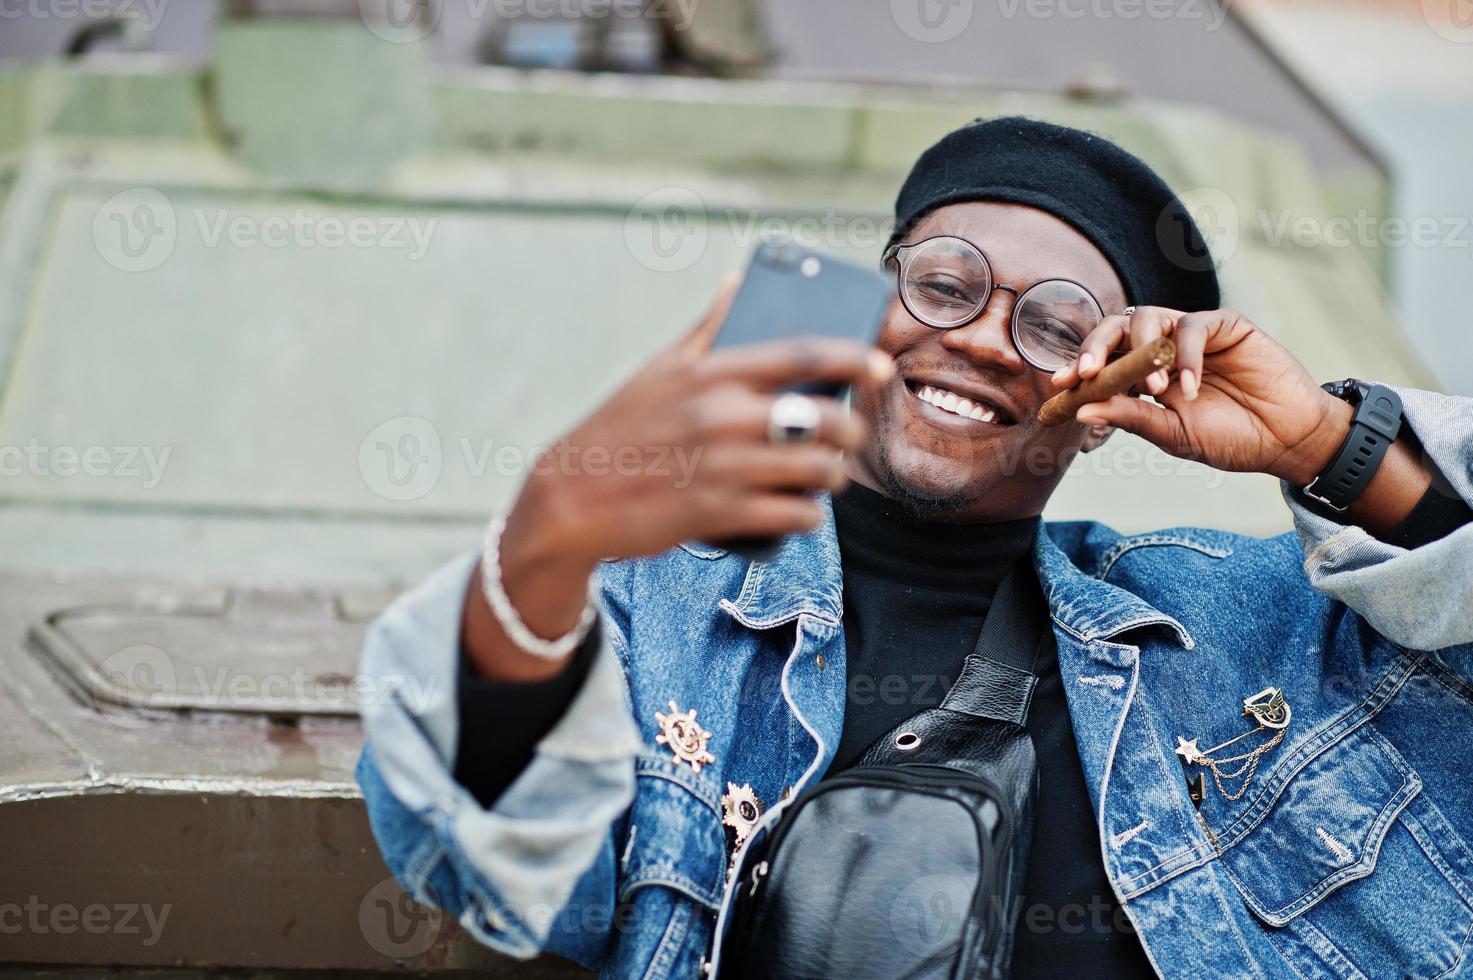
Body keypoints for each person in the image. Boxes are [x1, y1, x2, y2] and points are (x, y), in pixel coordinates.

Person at [356, 117, 1473, 979]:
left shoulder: (1235, 629)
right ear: (872, 301)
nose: (983, 334)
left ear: (1111, 398)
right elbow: (491, 863)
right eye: (943, 283)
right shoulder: (657, 618)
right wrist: (545, 537)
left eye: (1056, 323)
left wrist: (1334, 444)